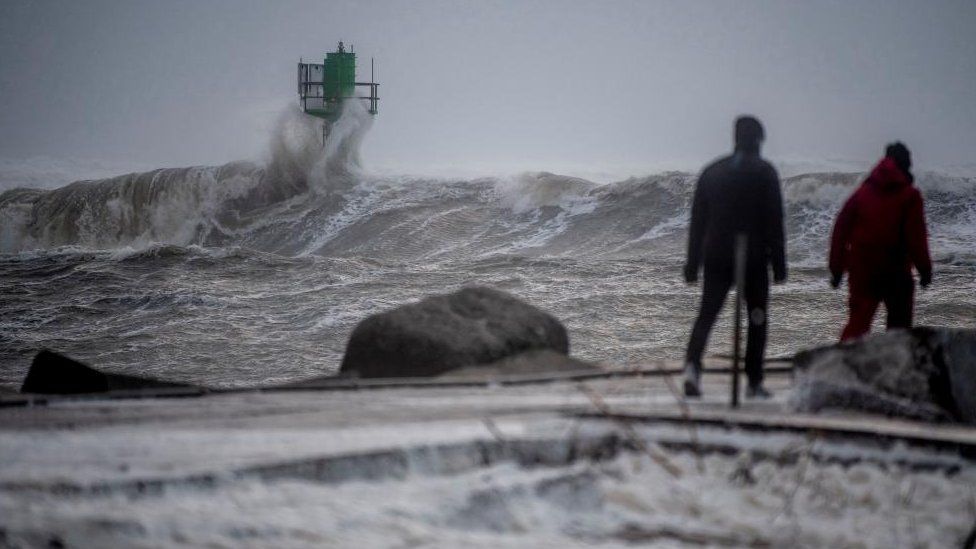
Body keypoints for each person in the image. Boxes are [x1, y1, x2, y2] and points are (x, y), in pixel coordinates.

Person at [682, 115, 786, 399]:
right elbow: (774, 221)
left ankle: (691, 367)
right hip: (753, 258)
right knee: (757, 317)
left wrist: (692, 264)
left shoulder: (712, 172)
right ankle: (753, 382)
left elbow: (698, 223)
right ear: (758, 140)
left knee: (707, 313)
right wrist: (779, 263)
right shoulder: (765, 172)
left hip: (716, 255)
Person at [828, 142, 932, 341]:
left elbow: (840, 230)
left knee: (857, 324)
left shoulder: (862, 193)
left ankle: (845, 363)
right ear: (905, 165)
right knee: (899, 330)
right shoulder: (910, 196)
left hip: (863, 268)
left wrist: (836, 269)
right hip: (896, 270)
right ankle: (895, 366)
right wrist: (925, 270)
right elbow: (916, 238)